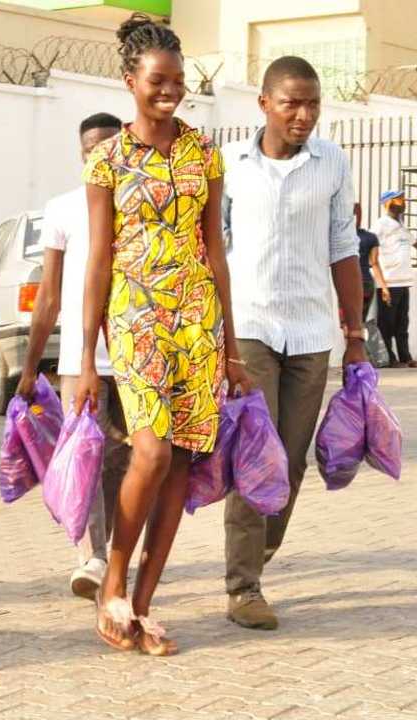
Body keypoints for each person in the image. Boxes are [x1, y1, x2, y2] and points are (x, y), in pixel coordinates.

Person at [76, 14, 249, 656]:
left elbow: (215, 249)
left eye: (178, 82)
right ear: (131, 82)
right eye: (157, 81)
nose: (169, 91)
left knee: (180, 462)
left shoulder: (205, 153)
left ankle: (143, 604)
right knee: (148, 452)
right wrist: (86, 357)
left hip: (197, 323)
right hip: (137, 319)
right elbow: (97, 259)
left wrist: (230, 346)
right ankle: (113, 582)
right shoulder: (107, 160)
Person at [222, 56, 366, 630]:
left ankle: (255, 557)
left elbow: (343, 247)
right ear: (264, 104)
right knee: (253, 455)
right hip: (251, 326)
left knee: (292, 461)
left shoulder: (331, 162)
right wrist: (221, 339)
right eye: (291, 103)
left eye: (312, 104)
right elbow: (215, 250)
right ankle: (242, 586)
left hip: (310, 332)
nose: (304, 115)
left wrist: (354, 334)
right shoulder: (230, 163)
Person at [16, 112, 130, 602]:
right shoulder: (62, 209)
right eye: (89, 150)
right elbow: (48, 295)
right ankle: (93, 557)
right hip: (82, 363)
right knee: (86, 457)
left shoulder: (145, 204)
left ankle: (122, 554)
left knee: (129, 462)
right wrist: (29, 365)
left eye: (107, 146)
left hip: (140, 357)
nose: (97, 155)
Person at [372, 190, 416, 367]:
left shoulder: (401, 226)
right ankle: (389, 358)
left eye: (402, 198)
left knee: (402, 323)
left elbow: (413, 242)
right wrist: (382, 285)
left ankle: (405, 357)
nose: (402, 202)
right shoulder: (380, 226)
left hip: (404, 282)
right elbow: (371, 251)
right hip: (389, 283)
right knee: (386, 324)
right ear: (387, 203)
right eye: (398, 199)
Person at [355, 202, 389, 323]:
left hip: (349, 284)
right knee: (361, 320)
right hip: (366, 284)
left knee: (347, 322)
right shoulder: (370, 237)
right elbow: (374, 263)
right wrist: (384, 287)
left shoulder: (341, 237)